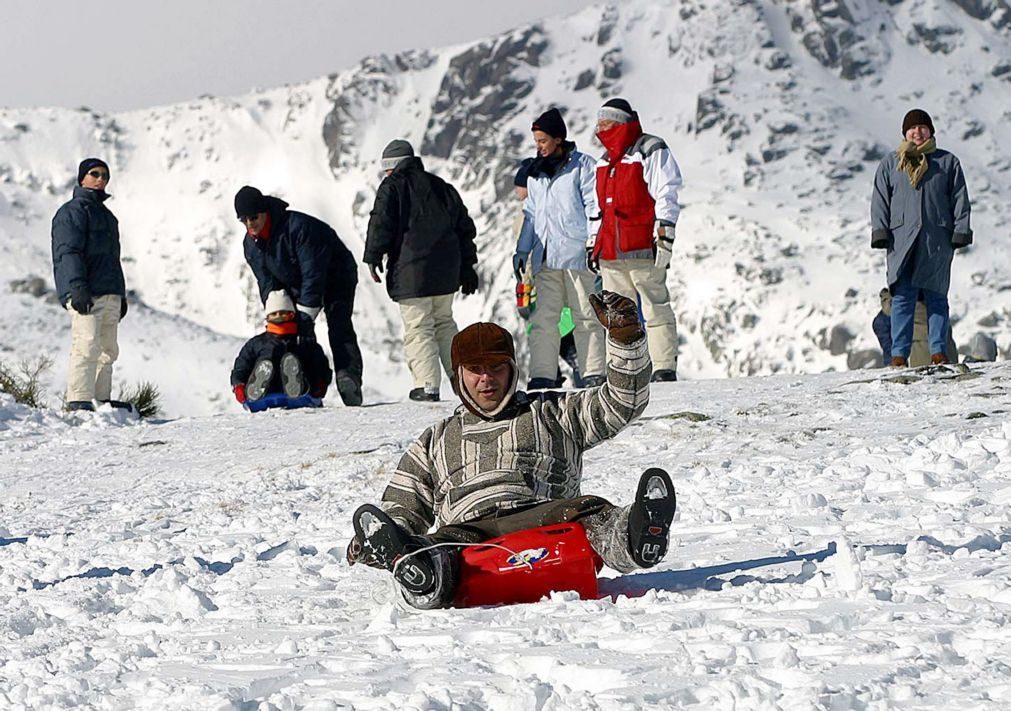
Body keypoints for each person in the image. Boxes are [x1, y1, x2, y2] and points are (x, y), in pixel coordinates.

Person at [347, 291, 678, 610]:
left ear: (512, 369)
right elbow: (403, 505)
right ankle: (421, 573)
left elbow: (620, 404)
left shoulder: (552, 413)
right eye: (475, 369)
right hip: (468, 534)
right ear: (458, 375)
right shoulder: (436, 440)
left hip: (546, 517)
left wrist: (626, 341)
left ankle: (635, 536)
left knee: (593, 515)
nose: (486, 378)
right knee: (434, 549)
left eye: (496, 367)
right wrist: (378, 539)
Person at [363, 139, 479, 402]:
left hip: (412, 272)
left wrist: (373, 256)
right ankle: (463, 381)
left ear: (392, 167)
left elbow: (382, 222)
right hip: (447, 272)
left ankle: (427, 385)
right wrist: (467, 265)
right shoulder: (441, 187)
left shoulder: (392, 187)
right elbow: (464, 227)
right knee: (445, 323)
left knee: (419, 327)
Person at [234, 186, 363, 406]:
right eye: (244, 220)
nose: (250, 224)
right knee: (289, 331)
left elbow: (314, 274)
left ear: (264, 211)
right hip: (295, 280)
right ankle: (296, 384)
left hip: (336, 273)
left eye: (253, 217)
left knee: (338, 323)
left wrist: (305, 314)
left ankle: (347, 378)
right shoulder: (251, 245)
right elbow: (266, 282)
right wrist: (276, 312)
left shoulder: (299, 229)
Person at [591, 98, 684, 382]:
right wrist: (593, 244)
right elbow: (598, 209)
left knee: (655, 306)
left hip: (642, 245)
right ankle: (625, 369)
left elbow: (666, 190)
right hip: (610, 251)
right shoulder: (604, 161)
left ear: (620, 123)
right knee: (618, 316)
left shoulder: (650, 149)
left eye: (605, 123)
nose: (600, 129)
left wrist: (665, 232)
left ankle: (663, 366)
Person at [512, 108, 606, 390]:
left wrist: (592, 243)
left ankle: (593, 372)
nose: (538, 146)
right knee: (543, 319)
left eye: (542, 140)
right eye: (536, 141)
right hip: (545, 257)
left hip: (577, 254)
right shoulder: (535, 174)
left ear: (558, 138)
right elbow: (530, 214)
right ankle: (542, 375)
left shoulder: (582, 166)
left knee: (585, 315)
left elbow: (594, 206)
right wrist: (522, 249)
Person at [871, 108, 972, 367]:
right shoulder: (891, 164)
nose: (917, 132)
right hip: (901, 241)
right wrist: (880, 232)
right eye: (912, 128)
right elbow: (880, 200)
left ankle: (938, 352)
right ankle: (898, 355)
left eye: (922, 127)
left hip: (936, 240)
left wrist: (961, 230)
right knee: (902, 298)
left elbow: (960, 198)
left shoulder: (948, 163)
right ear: (905, 132)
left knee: (936, 296)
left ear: (930, 131)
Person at [51, 158, 129, 412]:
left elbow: (113, 259)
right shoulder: (72, 212)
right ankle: (79, 399)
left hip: (109, 291)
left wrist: (121, 294)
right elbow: (67, 253)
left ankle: (100, 400)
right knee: (86, 343)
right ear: (82, 177)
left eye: (105, 175)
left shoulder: (109, 217)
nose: (100, 179)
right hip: (86, 291)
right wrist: (77, 287)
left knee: (108, 349)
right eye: (94, 174)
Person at [230, 291, 332, 406]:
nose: (279, 316)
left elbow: (320, 365)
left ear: (292, 314)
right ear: (268, 317)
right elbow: (241, 367)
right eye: (274, 314)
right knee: (266, 363)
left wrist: (320, 384)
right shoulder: (256, 343)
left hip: (302, 393)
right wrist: (239, 385)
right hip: (265, 393)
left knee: (298, 364)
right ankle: (258, 386)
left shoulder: (303, 342)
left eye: (283, 313)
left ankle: (296, 384)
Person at [873, 288, 956, 367]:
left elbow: (880, 323)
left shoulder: (901, 301)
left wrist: (893, 358)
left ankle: (896, 363)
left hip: (921, 357)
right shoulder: (937, 296)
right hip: (946, 354)